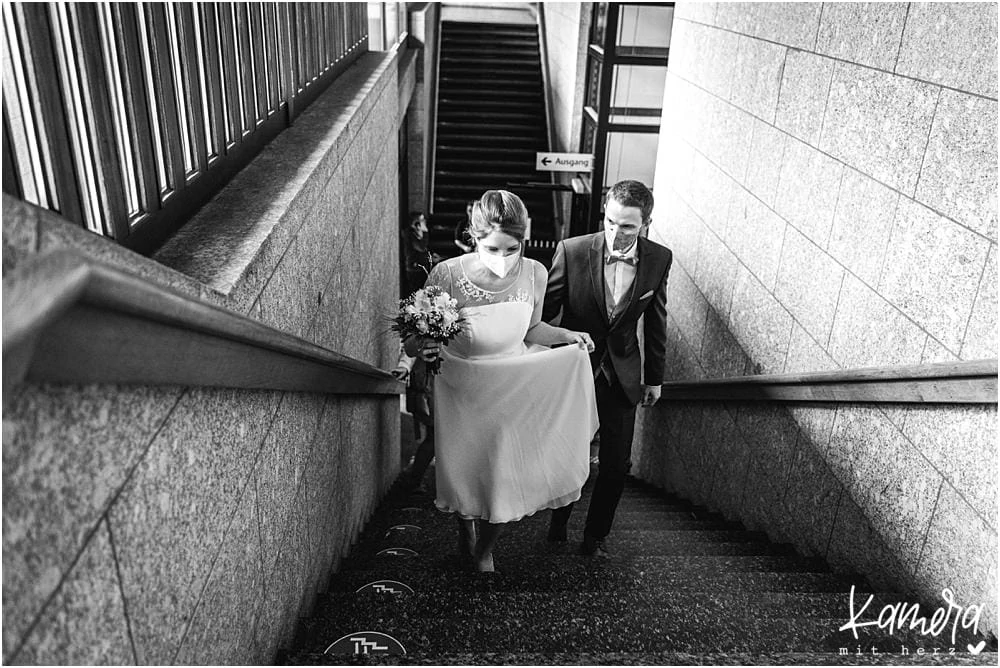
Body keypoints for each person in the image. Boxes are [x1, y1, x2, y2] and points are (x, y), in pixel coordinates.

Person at [407, 189, 599, 572]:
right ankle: (466, 528)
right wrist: (423, 347)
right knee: (465, 469)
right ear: (475, 238)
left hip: (514, 387)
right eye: (493, 249)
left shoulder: (536, 273)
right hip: (462, 388)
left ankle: (485, 549)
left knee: (508, 474)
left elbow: (533, 328)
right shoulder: (446, 274)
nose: (503, 258)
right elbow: (414, 338)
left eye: (511, 249)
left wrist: (568, 337)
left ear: (523, 242)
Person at [543, 179, 672, 557]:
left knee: (617, 466)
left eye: (628, 226)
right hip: (575, 371)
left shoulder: (660, 258)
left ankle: (596, 536)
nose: (616, 233)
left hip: (624, 376)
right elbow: (546, 315)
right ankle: (559, 518)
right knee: (569, 455)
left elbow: (656, 320)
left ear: (646, 223)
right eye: (610, 222)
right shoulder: (572, 250)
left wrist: (654, 379)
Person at [391, 346, 434, 493]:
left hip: (460, 384)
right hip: (432, 384)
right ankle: (414, 481)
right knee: (434, 436)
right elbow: (414, 343)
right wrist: (404, 366)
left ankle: (414, 480)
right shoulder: (429, 326)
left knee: (436, 438)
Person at [402, 212, 441, 293]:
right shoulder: (410, 234)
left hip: (421, 268)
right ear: (416, 223)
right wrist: (426, 231)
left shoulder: (417, 232)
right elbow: (421, 247)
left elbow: (424, 249)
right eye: (422, 220)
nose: (425, 221)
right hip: (415, 270)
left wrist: (431, 255)